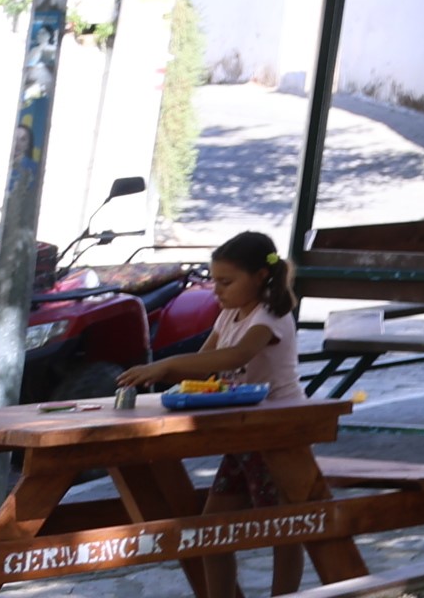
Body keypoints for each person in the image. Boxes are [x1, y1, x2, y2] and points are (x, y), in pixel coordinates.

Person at [118, 229, 313, 592]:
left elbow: (237, 356)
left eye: (226, 281)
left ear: (261, 277)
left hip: (277, 429)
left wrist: (166, 366)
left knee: (283, 527)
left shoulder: (269, 316)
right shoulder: (230, 315)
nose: (216, 289)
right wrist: (160, 369)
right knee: (211, 530)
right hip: (243, 428)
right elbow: (205, 362)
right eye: (213, 280)